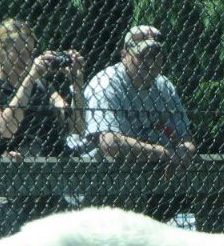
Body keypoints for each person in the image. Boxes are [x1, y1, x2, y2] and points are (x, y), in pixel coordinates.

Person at [0, 18, 85, 239]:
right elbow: (5, 128)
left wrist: (77, 84)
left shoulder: (42, 87)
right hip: (6, 187)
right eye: (20, 53)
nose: (27, 60)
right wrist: (30, 77)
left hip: (48, 184)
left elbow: (77, 127)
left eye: (30, 53)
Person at [83, 24, 196, 172]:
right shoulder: (106, 83)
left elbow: (186, 137)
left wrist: (185, 151)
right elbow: (110, 143)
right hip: (97, 176)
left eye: (155, 55)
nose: (150, 62)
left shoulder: (164, 86)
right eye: (142, 55)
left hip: (149, 175)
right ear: (124, 56)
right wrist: (166, 153)